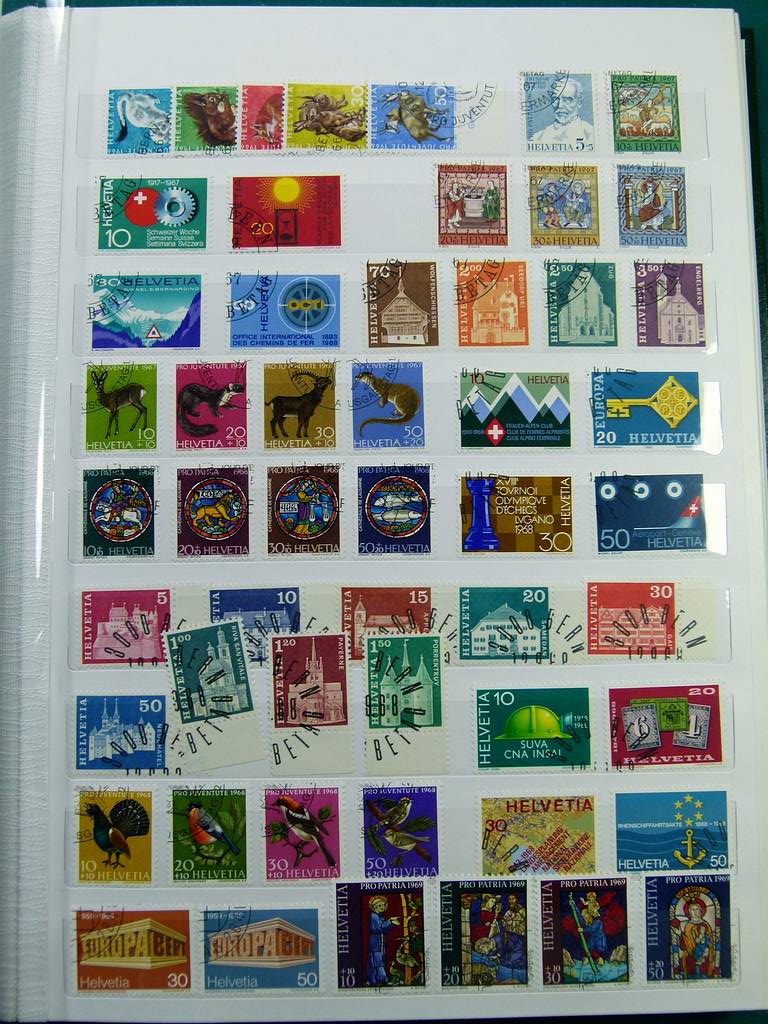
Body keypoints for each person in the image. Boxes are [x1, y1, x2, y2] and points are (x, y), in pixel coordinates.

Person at [530, 76, 594, 149]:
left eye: (567, 99)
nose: (560, 105)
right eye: (555, 99)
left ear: (579, 103)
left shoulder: (591, 135)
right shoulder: (537, 138)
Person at [365, 896, 400, 985]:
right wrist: (390, 921)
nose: (383, 907)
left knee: (378, 959)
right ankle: (381, 979)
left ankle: (374, 980)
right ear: (374, 907)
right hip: (375, 941)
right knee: (377, 960)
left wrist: (391, 922)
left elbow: (384, 928)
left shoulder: (379, 916)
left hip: (380, 940)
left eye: (383, 905)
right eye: (380, 905)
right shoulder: (373, 916)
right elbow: (379, 928)